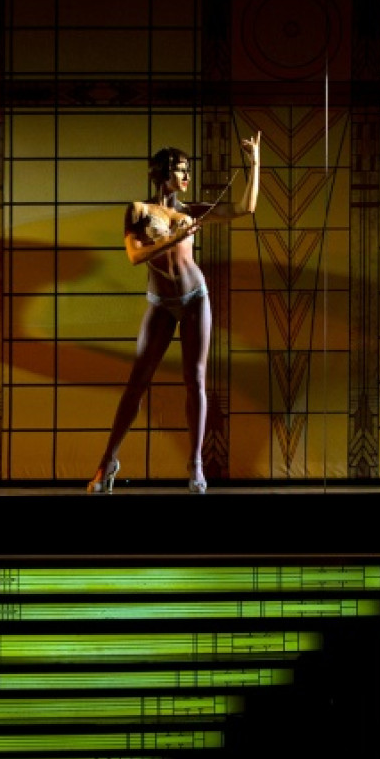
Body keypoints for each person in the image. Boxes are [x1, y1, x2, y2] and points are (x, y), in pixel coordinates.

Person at [87, 132, 261, 494]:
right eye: (180, 171)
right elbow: (135, 256)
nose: (186, 177)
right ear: (162, 174)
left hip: (195, 297)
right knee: (136, 384)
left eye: (187, 171)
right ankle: (108, 462)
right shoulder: (139, 210)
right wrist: (172, 237)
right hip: (161, 303)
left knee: (194, 379)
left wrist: (254, 162)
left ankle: (195, 465)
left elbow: (245, 208)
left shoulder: (191, 210)